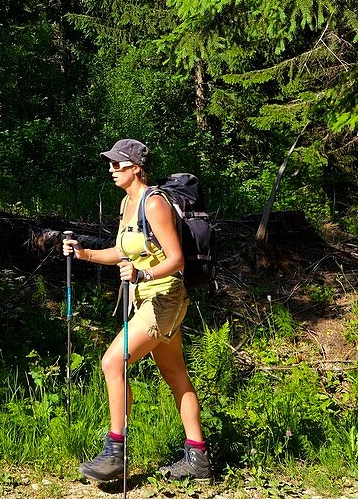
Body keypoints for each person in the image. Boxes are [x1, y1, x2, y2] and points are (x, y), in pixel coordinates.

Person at [63, 137, 211, 483]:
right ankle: (198, 459)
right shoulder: (126, 204)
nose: (111, 169)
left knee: (112, 361)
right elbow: (121, 251)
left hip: (164, 298)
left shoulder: (153, 203)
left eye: (118, 164)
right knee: (176, 377)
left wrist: (143, 272)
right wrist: (83, 253)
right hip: (147, 299)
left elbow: (174, 260)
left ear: (136, 168)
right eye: (111, 163)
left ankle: (116, 451)